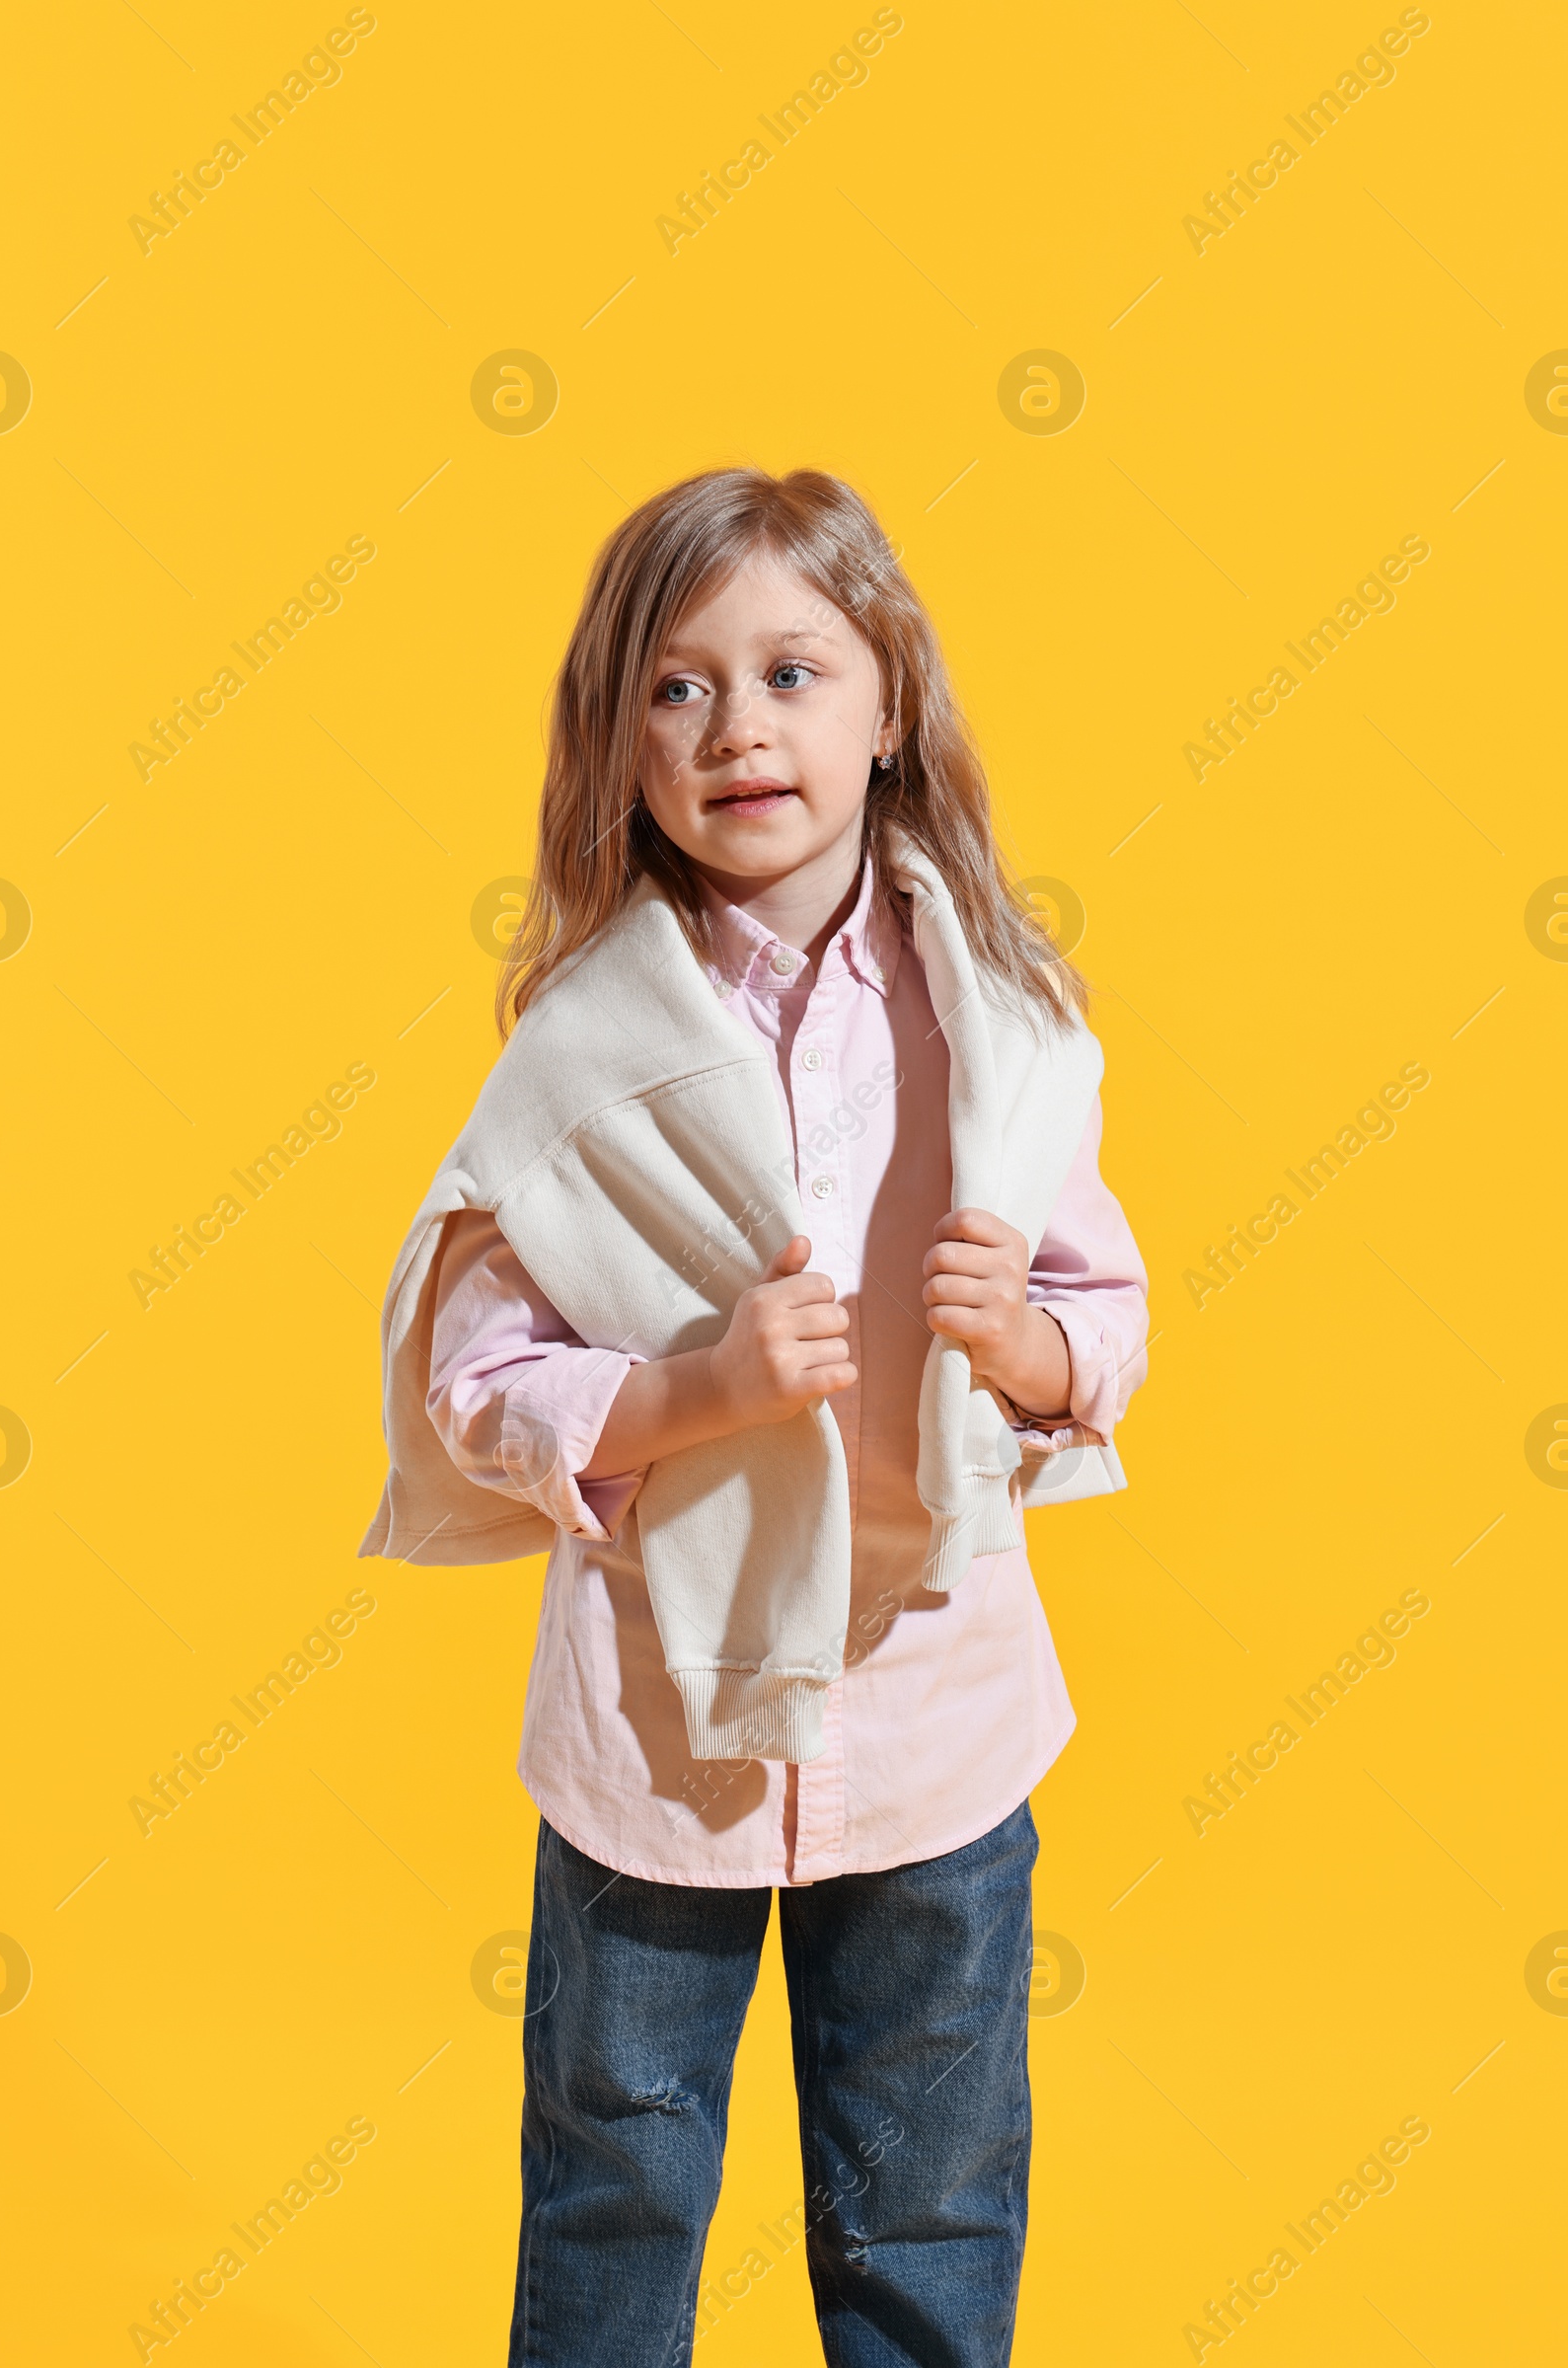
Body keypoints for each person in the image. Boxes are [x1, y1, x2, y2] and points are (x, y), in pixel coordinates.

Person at [359, 466, 1149, 2366]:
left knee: (930, 2188)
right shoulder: (583, 1052)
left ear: (889, 704)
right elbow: (476, 1375)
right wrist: (697, 1387)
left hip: (937, 1706)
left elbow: (1101, 1322)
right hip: (660, 1730)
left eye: (792, 670)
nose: (739, 729)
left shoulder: (1002, 1028)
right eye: (679, 688)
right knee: (619, 2177)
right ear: (621, 745)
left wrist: (1028, 1353)